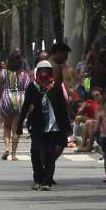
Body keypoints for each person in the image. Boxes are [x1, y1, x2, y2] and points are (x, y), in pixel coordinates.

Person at [18, 60, 70, 191]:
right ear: (38, 72)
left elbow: (63, 108)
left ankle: (47, 181)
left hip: (53, 127)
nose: (44, 73)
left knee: (49, 153)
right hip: (37, 126)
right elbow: (25, 107)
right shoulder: (33, 87)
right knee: (35, 151)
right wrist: (19, 125)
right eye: (42, 70)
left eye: (47, 70)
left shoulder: (56, 87)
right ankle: (37, 179)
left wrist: (67, 128)